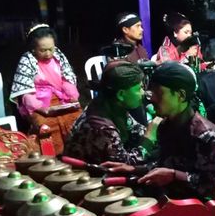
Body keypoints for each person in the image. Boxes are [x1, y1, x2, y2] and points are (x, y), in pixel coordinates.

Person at [105, 62, 215, 199]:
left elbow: (214, 185)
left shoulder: (205, 135)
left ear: (181, 95)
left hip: (194, 210)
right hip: (166, 200)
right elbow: (164, 164)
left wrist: (174, 176)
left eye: (158, 93)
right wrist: (135, 169)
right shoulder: (165, 125)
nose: (151, 98)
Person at [64, 62, 155, 164]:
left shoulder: (112, 106)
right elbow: (124, 163)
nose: (143, 93)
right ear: (121, 94)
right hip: (87, 176)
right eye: (139, 89)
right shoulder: (102, 126)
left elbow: (136, 131)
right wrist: (148, 140)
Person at [10, 24, 81, 153]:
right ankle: (52, 157)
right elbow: (25, 92)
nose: (48, 54)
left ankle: (75, 153)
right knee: (47, 125)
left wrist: (71, 96)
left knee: (77, 119)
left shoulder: (59, 56)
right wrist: (40, 107)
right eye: (43, 50)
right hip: (38, 103)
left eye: (51, 49)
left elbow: (67, 79)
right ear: (33, 48)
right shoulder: (26, 61)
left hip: (61, 100)